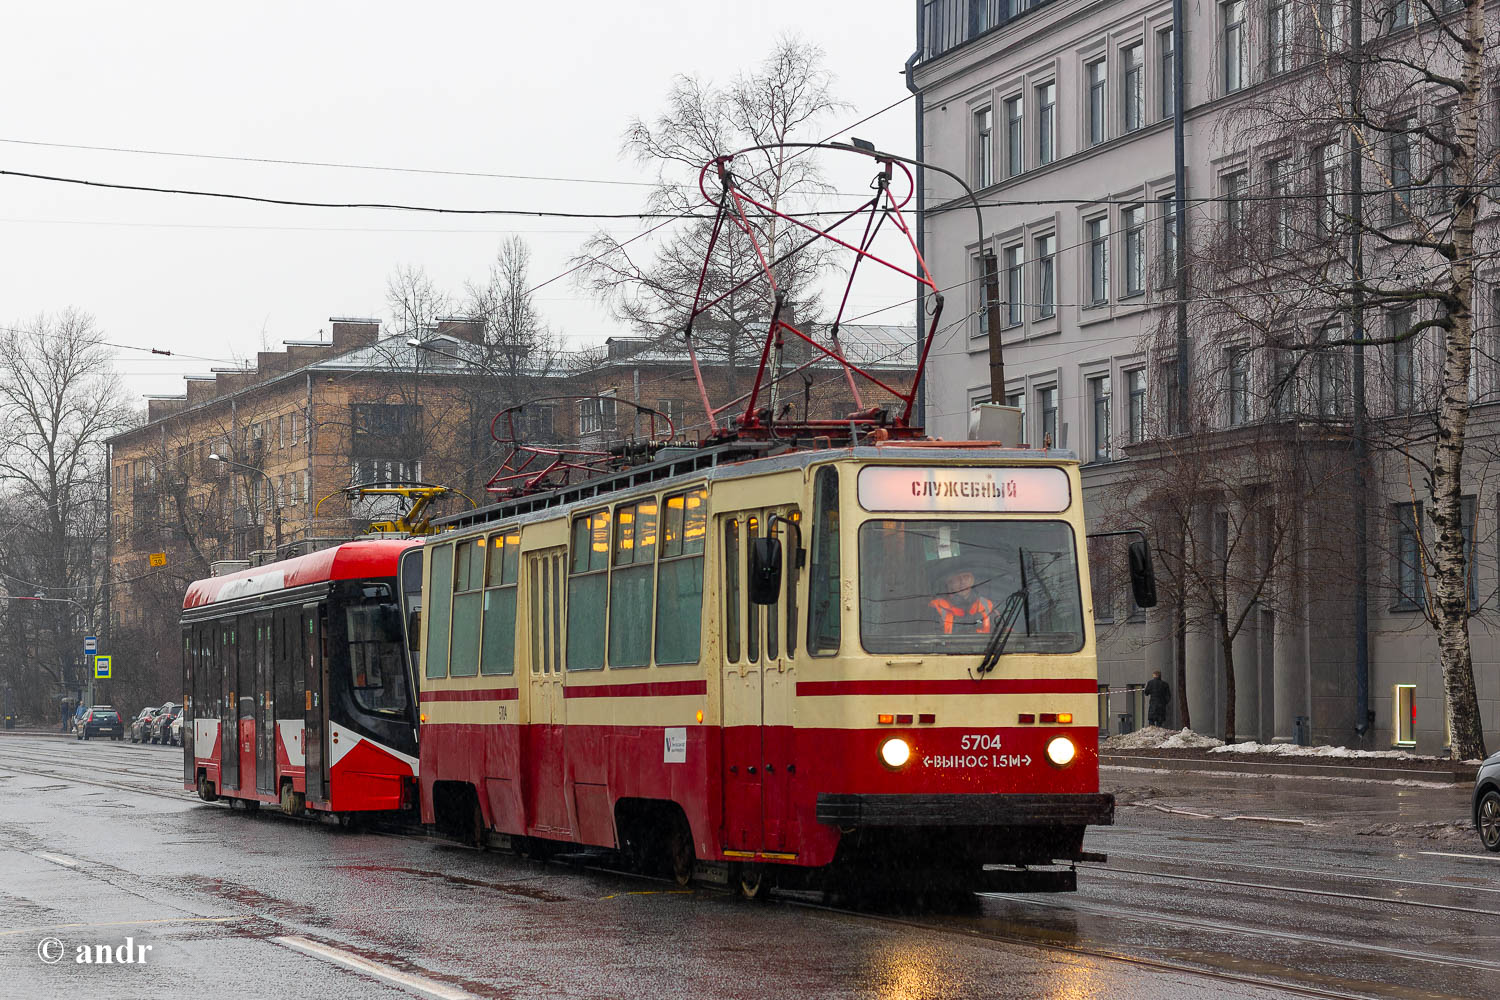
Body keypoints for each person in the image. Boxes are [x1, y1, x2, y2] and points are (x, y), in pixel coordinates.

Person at [929, 558, 995, 635]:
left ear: (972, 581)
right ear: (949, 583)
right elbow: (928, 638)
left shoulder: (986, 605)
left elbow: (1003, 632)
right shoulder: (936, 606)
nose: (963, 582)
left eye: (966, 577)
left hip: (986, 647)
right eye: (958, 578)